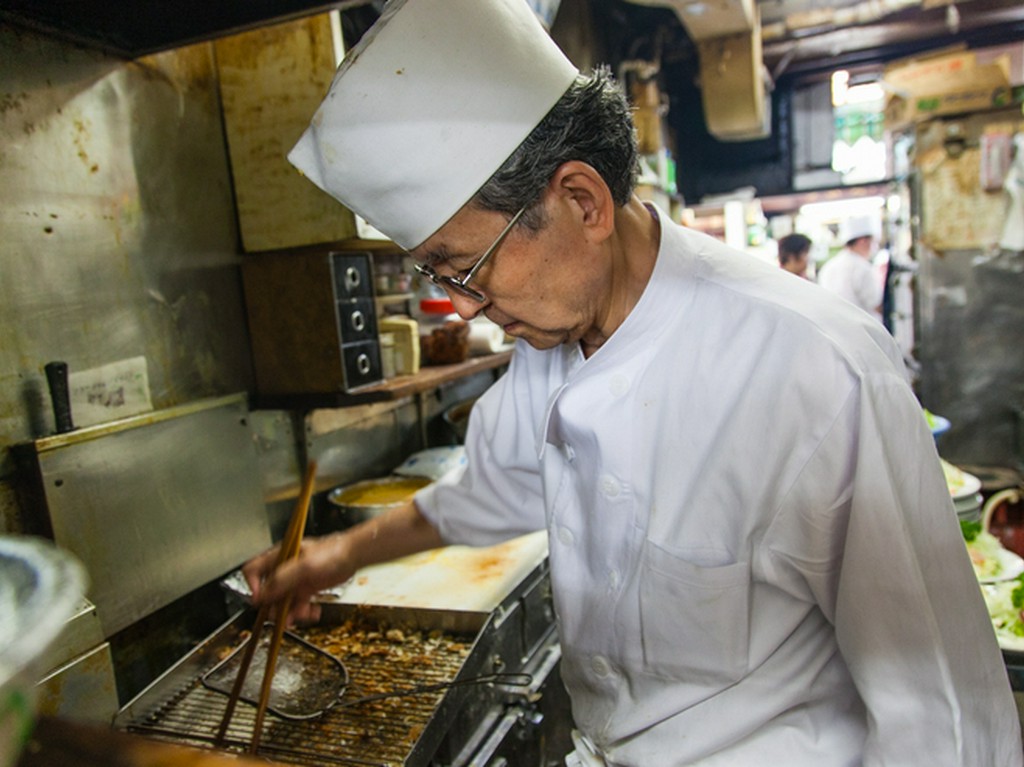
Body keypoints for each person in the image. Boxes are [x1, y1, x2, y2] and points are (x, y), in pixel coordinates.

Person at [243, 1, 1022, 764]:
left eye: (467, 270)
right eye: (440, 278)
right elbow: (478, 494)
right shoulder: (548, 342)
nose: (467, 306)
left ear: (582, 202)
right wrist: (331, 556)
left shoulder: (817, 369)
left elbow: (947, 720)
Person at [817, 214, 885, 321]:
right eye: (873, 242)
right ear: (863, 241)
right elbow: (877, 305)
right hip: (863, 331)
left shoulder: (828, 267)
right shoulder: (863, 268)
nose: (874, 247)